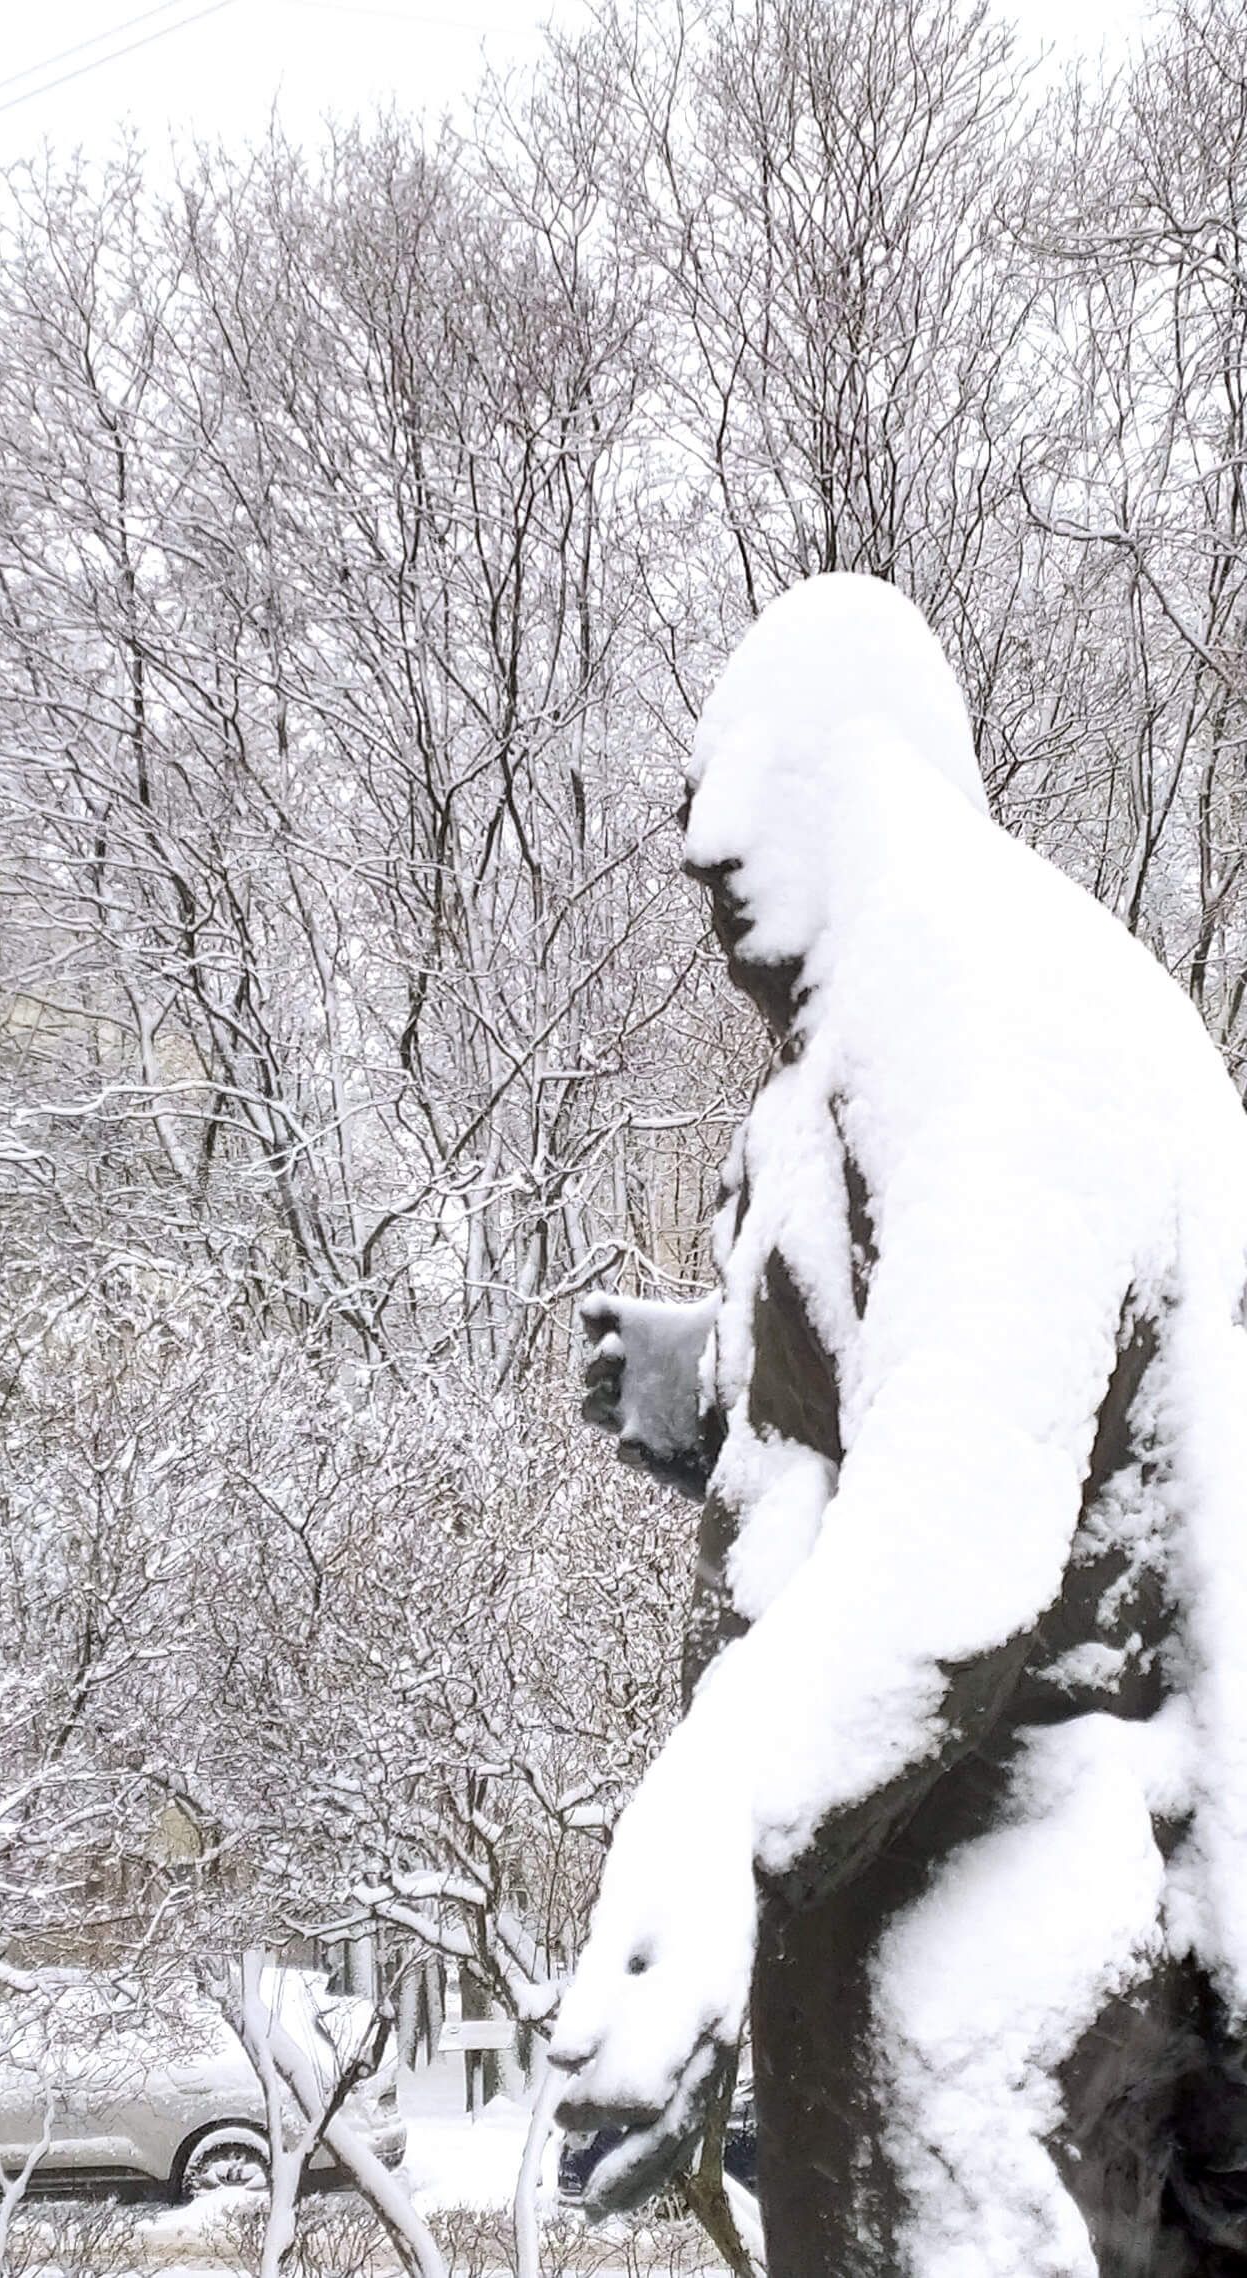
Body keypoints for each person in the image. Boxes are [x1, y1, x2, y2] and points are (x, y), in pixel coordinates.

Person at [549, 575, 1247, 2276]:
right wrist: (717, 1390)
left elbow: (963, 1531)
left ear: (848, 762)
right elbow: (939, 1405)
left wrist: (717, 1830)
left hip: (993, 1927)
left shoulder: (985, 1001)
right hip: (942, 1896)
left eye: (735, 779)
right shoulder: (878, 1036)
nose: (701, 844)